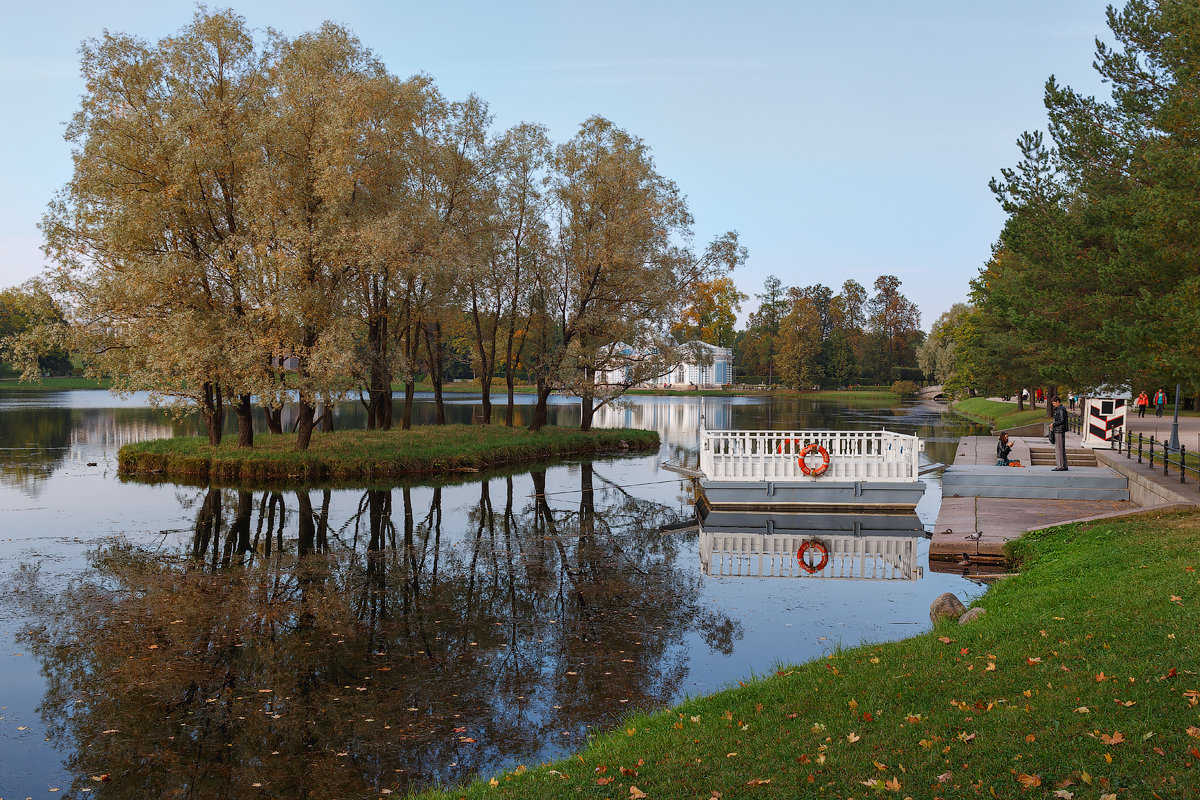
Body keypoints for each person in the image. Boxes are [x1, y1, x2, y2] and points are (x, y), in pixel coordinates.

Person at [1050, 396, 1069, 470]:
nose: (1053, 404)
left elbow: (1061, 420)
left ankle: (1060, 466)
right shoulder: (1061, 408)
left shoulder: (1061, 409)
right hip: (1060, 430)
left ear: (1058, 401)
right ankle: (1064, 466)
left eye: (1054, 403)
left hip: (1059, 430)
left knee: (1059, 449)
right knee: (1061, 449)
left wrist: (1053, 424)